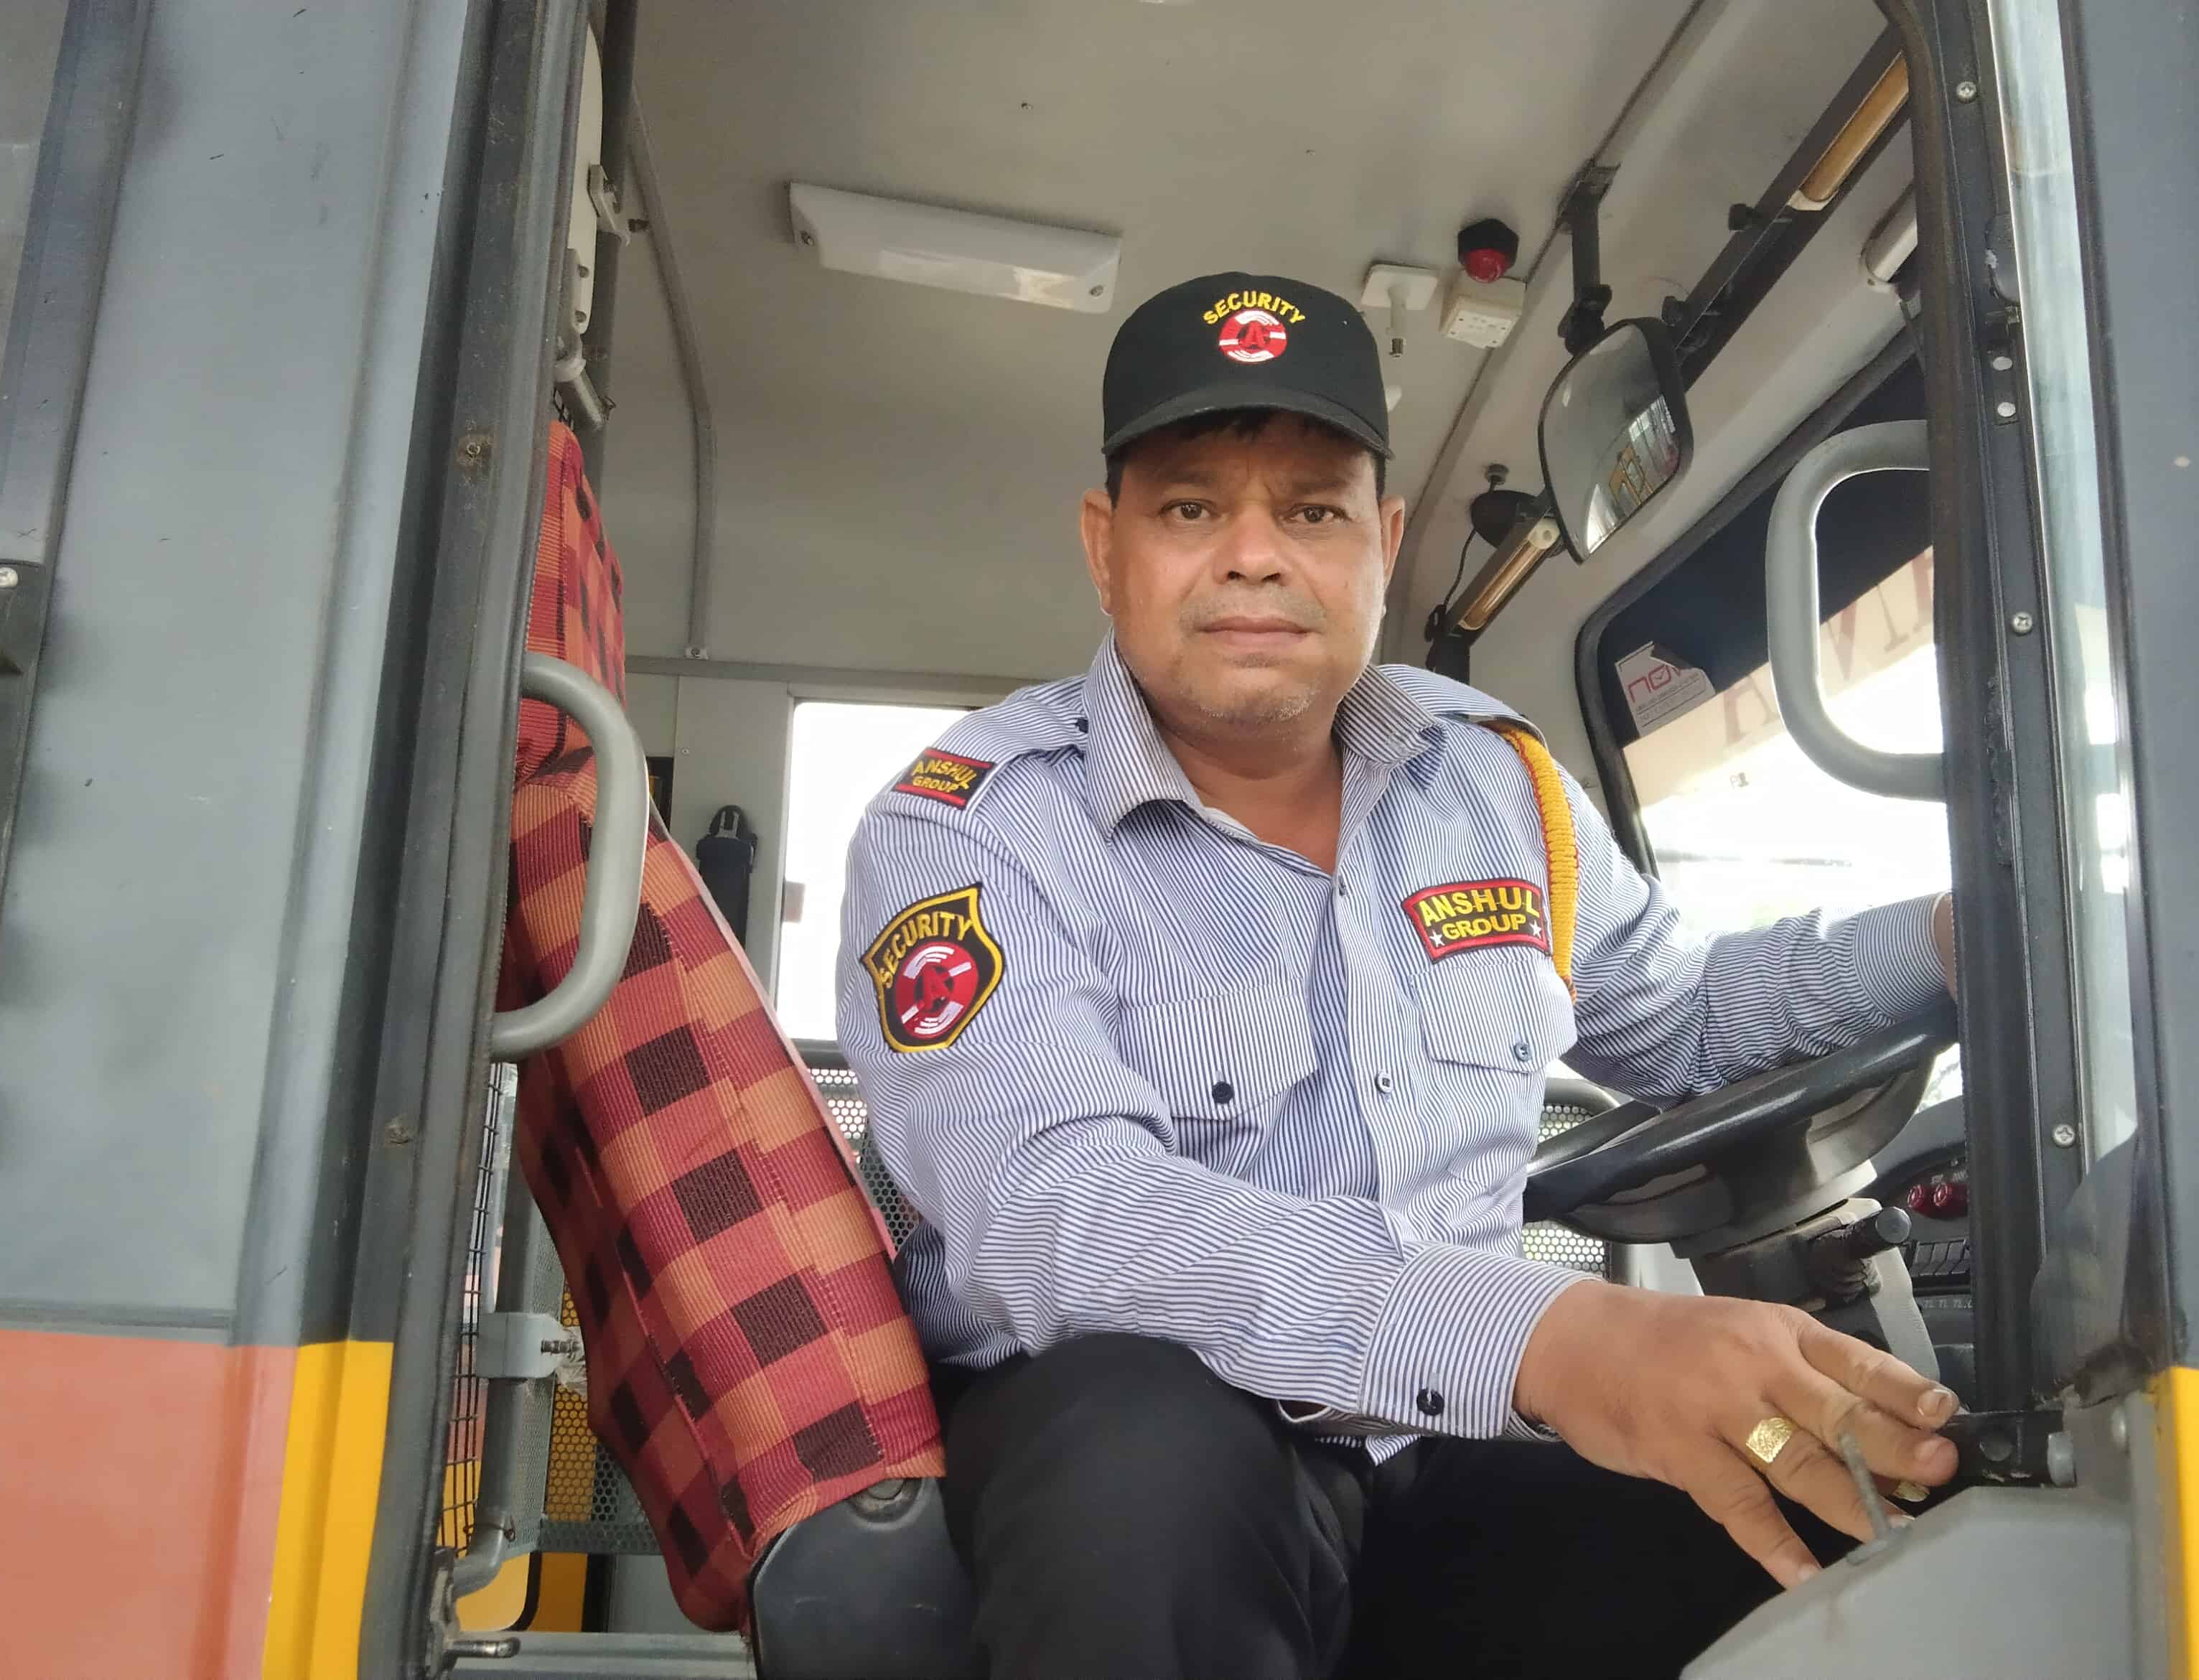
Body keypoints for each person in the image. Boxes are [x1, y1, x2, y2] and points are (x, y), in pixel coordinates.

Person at [836, 271, 1962, 1679]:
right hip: (1134, 1462)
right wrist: (1555, 1337)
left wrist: (1953, 939)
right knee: (1138, 1457)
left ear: (1381, 542)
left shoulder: (1493, 781)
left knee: (1865, 1510)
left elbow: (1687, 1019)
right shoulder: (971, 825)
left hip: (1440, 1445)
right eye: (1190, 510)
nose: (1254, 557)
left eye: (1312, 512)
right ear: (1104, 546)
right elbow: (1060, 1212)